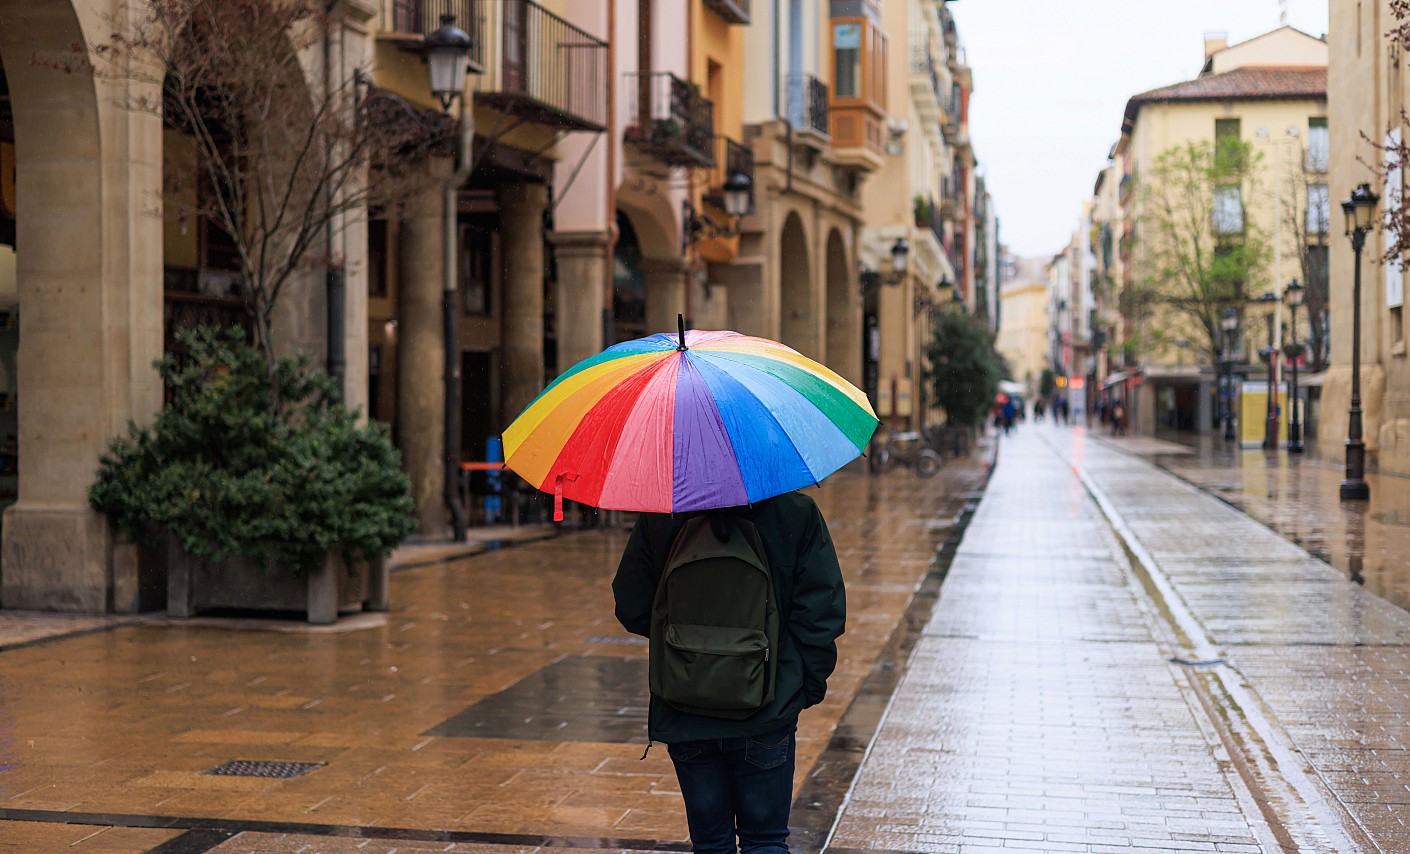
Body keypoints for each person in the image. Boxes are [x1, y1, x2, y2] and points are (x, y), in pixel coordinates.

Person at [612, 492, 847, 853]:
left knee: (710, 843)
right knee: (765, 840)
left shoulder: (662, 514)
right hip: (768, 709)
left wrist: (686, 650)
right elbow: (821, 614)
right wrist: (801, 687)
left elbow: (631, 605)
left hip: (685, 706)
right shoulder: (795, 512)